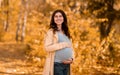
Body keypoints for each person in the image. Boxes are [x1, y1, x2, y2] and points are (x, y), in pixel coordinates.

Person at [43, 9, 74, 75]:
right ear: (53, 19)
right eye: (56, 16)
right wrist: (62, 45)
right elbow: (47, 47)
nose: (58, 18)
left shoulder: (66, 32)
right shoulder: (51, 32)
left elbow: (71, 48)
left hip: (67, 65)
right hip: (56, 64)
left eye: (60, 16)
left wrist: (72, 58)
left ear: (63, 18)